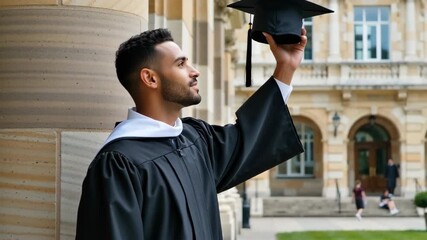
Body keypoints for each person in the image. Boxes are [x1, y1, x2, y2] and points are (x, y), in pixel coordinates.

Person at [75, 27, 306, 239]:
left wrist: (285, 67)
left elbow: (247, 138)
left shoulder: (195, 139)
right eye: (181, 64)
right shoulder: (119, 164)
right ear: (150, 78)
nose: (195, 71)